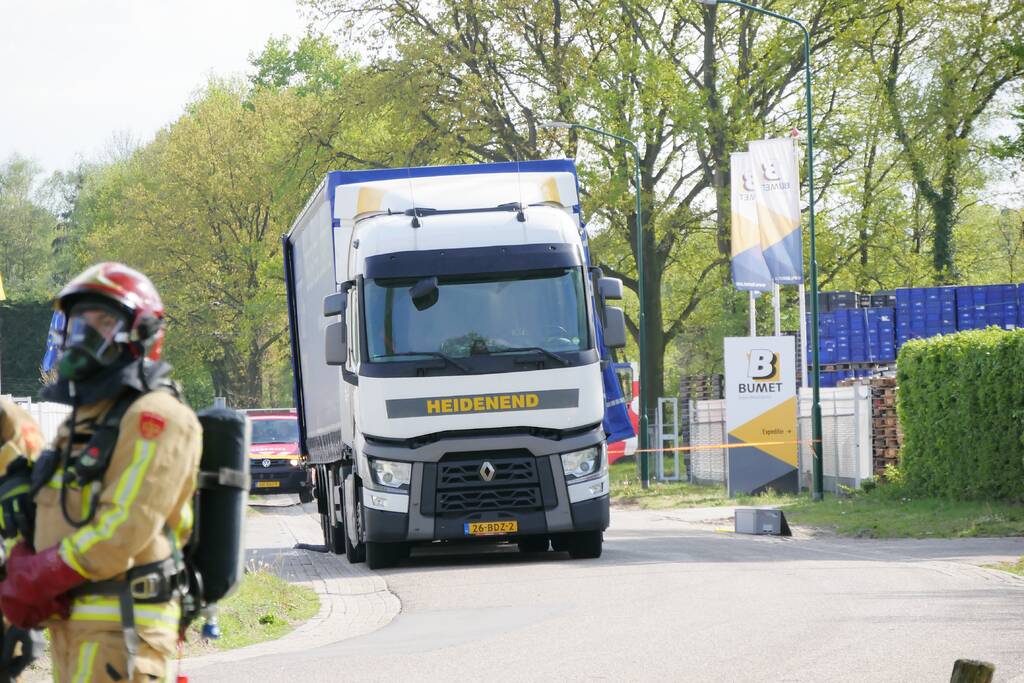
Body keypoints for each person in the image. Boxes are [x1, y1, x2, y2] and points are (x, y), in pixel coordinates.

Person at [0, 262, 202, 682]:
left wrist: (41, 575)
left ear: (142, 333)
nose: (85, 335)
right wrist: (25, 557)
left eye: (104, 320)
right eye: (78, 322)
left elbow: (123, 526)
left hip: (123, 628)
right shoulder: (85, 423)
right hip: (74, 624)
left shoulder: (158, 417)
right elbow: (59, 513)